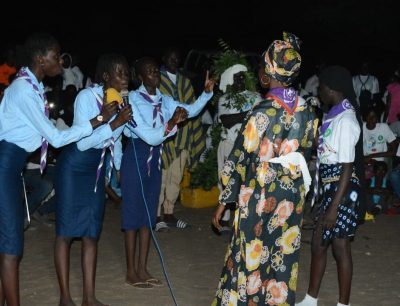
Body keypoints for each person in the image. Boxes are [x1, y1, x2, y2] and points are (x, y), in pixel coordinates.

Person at [0, 32, 112, 306]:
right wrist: (98, 120)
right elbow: (57, 138)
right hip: (5, 165)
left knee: (8, 243)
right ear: (40, 58)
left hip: (12, 166)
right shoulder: (24, 90)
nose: (60, 61)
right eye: (55, 55)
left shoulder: (31, 86)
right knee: (11, 246)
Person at [212, 32, 317, 306]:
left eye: (261, 65)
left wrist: (225, 200)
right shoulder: (307, 110)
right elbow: (305, 151)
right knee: (282, 256)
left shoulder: (262, 111)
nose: (259, 70)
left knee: (250, 255)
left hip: (260, 194)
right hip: (292, 194)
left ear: (268, 73)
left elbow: (239, 157)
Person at [117, 57, 215, 289]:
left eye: (155, 70)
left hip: (155, 159)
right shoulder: (130, 100)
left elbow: (189, 111)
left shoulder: (164, 99)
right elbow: (149, 136)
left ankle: (143, 268)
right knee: (132, 217)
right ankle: (131, 271)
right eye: (149, 71)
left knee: (149, 216)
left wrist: (206, 93)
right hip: (137, 158)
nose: (155, 74)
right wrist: (171, 124)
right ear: (140, 77)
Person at [54, 53, 132, 306]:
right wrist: (113, 122)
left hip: (96, 170)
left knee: (90, 233)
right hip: (74, 167)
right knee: (65, 233)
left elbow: (117, 140)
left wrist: (119, 167)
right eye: (119, 72)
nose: (125, 77)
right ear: (106, 76)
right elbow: (84, 141)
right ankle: (65, 297)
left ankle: (89, 297)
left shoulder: (119, 102)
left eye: (127, 73)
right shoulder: (87, 97)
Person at [296, 66, 364, 306]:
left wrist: (334, 207)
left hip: (342, 188)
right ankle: (310, 299)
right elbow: (328, 151)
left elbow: (347, 166)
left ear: (333, 89)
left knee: (340, 245)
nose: (319, 92)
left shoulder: (346, 119)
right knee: (318, 242)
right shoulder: (334, 113)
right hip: (330, 184)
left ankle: (343, 303)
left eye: (321, 88)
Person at [156, 47, 205, 230]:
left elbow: (193, 107)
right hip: (164, 136)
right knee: (161, 177)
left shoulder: (185, 82)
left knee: (175, 178)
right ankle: (156, 215)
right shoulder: (157, 80)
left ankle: (169, 214)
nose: (174, 61)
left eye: (177, 58)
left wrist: (194, 134)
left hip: (183, 135)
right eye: (170, 57)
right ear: (164, 58)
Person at [215, 62, 261, 232]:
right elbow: (226, 120)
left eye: (243, 76)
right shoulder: (224, 99)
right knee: (225, 181)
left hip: (249, 148)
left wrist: (246, 115)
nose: (240, 80)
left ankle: (241, 219)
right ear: (229, 80)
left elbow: (259, 120)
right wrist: (250, 113)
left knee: (245, 184)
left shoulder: (255, 97)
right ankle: (225, 218)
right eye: (236, 77)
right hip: (228, 144)